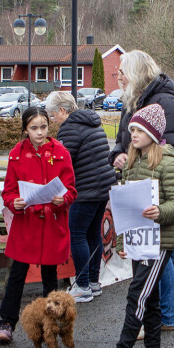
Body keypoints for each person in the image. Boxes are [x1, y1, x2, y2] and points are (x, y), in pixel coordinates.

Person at [85, 103, 174, 348]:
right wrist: (122, 241)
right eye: (132, 130)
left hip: (160, 242)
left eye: (140, 130)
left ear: (153, 133)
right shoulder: (131, 164)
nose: (134, 135)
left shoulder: (168, 163)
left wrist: (159, 212)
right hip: (139, 241)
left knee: (137, 296)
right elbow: (125, 208)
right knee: (149, 299)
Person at [109, 50, 174, 331]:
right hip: (138, 185)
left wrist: (149, 171)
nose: (119, 76)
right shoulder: (133, 100)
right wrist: (118, 156)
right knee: (153, 258)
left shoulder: (164, 101)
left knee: (161, 257)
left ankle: (165, 317)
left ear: (136, 73)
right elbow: (123, 140)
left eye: (123, 71)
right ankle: (157, 318)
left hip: (159, 192)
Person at [0, 107, 77, 343]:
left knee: (50, 277)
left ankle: (51, 325)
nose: (40, 132)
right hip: (26, 225)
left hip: (51, 223)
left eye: (43, 127)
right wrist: (14, 202)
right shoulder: (17, 154)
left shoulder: (61, 153)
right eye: (34, 128)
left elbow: (71, 190)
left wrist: (63, 199)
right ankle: (7, 322)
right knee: (17, 275)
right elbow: (9, 191)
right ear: (25, 130)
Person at [48, 91, 115, 302]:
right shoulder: (93, 123)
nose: (52, 120)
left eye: (52, 115)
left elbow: (63, 161)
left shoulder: (69, 128)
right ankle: (93, 282)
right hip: (103, 187)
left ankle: (82, 285)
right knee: (93, 234)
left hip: (85, 189)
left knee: (77, 234)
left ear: (62, 110)